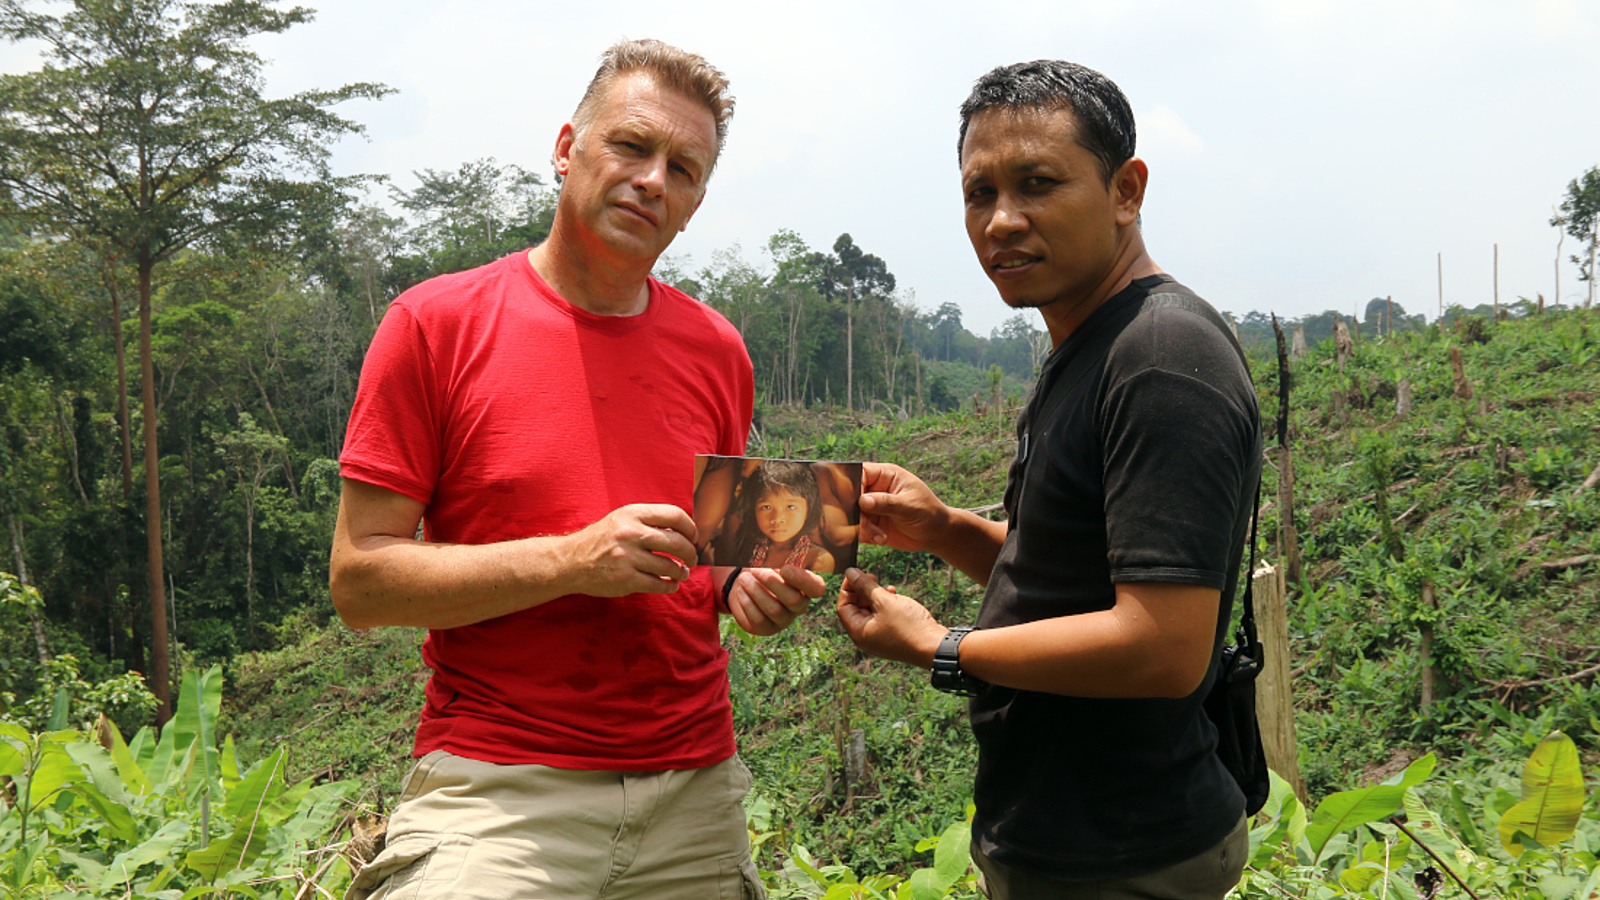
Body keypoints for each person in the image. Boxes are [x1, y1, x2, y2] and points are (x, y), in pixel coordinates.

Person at [330, 39, 824, 900]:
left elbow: (711, 566)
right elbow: (359, 584)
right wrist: (570, 559)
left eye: (682, 169)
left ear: (695, 204)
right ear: (567, 148)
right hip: (500, 789)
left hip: (695, 793)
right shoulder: (435, 325)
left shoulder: (718, 351)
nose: (652, 180)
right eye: (631, 146)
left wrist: (746, 590)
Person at [835, 60, 1262, 899]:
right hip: (1063, 837)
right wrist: (946, 529)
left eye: (1037, 183)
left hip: (1124, 855)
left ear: (1125, 191)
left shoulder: (1162, 356)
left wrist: (939, 647)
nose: (1001, 220)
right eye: (980, 192)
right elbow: (1074, 575)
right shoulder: (1089, 343)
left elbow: (1164, 644)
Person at [729, 460, 836, 573]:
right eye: (766, 507)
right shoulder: (747, 550)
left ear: (808, 511)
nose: (777, 519)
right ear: (753, 510)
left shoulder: (818, 560)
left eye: (790, 507)